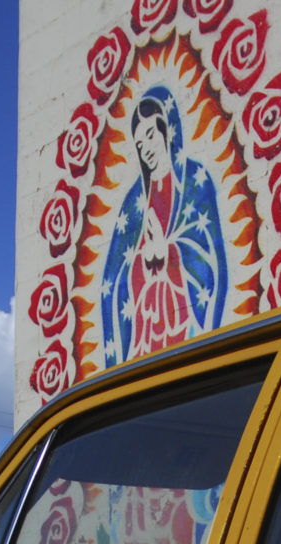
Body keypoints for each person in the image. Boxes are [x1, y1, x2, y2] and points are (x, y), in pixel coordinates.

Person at [99, 87, 229, 365]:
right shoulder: (133, 203)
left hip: (185, 326)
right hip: (146, 336)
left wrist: (168, 251)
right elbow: (114, 279)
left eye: (150, 135)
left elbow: (211, 260)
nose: (146, 148)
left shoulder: (195, 180)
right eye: (139, 144)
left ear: (167, 131)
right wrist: (143, 260)